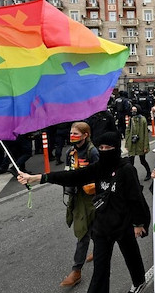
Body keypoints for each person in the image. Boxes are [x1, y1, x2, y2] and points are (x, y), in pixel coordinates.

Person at [18, 132, 151, 293]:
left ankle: (138, 281)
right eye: (101, 147)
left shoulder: (126, 169)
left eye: (108, 147)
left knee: (131, 255)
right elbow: (73, 176)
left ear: (116, 148)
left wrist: (138, 223)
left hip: (123, 222)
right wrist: (38, 178)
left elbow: (135, 197)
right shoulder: (99, 167)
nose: (104, 150)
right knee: (100, 268)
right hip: (102, 225)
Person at [59, 122, 100, 287]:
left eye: (76, 133)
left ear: (86, 135)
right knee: (92, 229)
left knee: (83, 234)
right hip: (76, 197)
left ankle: (76, 271)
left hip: (91, 199)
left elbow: (100, 175)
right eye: (71, 133)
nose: (72, 136)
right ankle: (98, 250)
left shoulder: (93, 152)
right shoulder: (70, 151)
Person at [125, 105, 152, 181]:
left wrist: (145, 146)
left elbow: (145, 133)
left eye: (135, 110)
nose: (133, 111)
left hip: (141, 143)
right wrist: (127, 143)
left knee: (142, 161)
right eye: (132, 110)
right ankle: (132, 177)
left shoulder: (143, 119)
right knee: (131, 162)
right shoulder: (131, 119)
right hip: (132, 142)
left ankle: (148, 172)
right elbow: (127, 131)